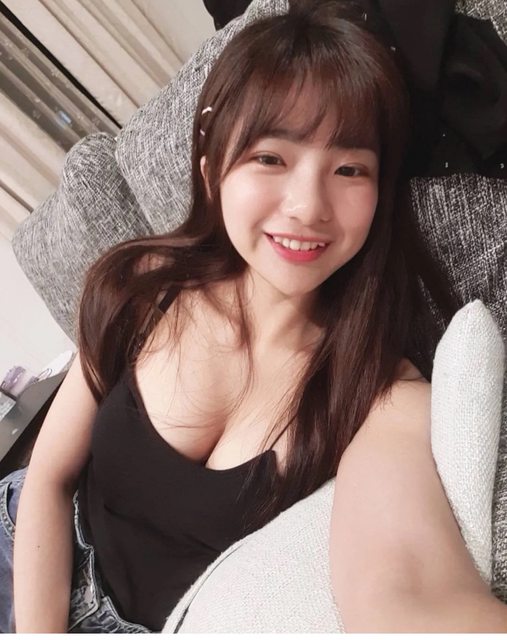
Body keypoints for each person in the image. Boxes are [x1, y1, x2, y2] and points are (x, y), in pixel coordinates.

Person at [1, 0, 506, 632]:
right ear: (213, 170)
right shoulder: (142, 285)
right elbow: (48, 479)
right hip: (24, 548)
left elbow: (402, 595)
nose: (307, 206)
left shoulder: (382, 394)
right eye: (271, 158)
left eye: (349, 168)